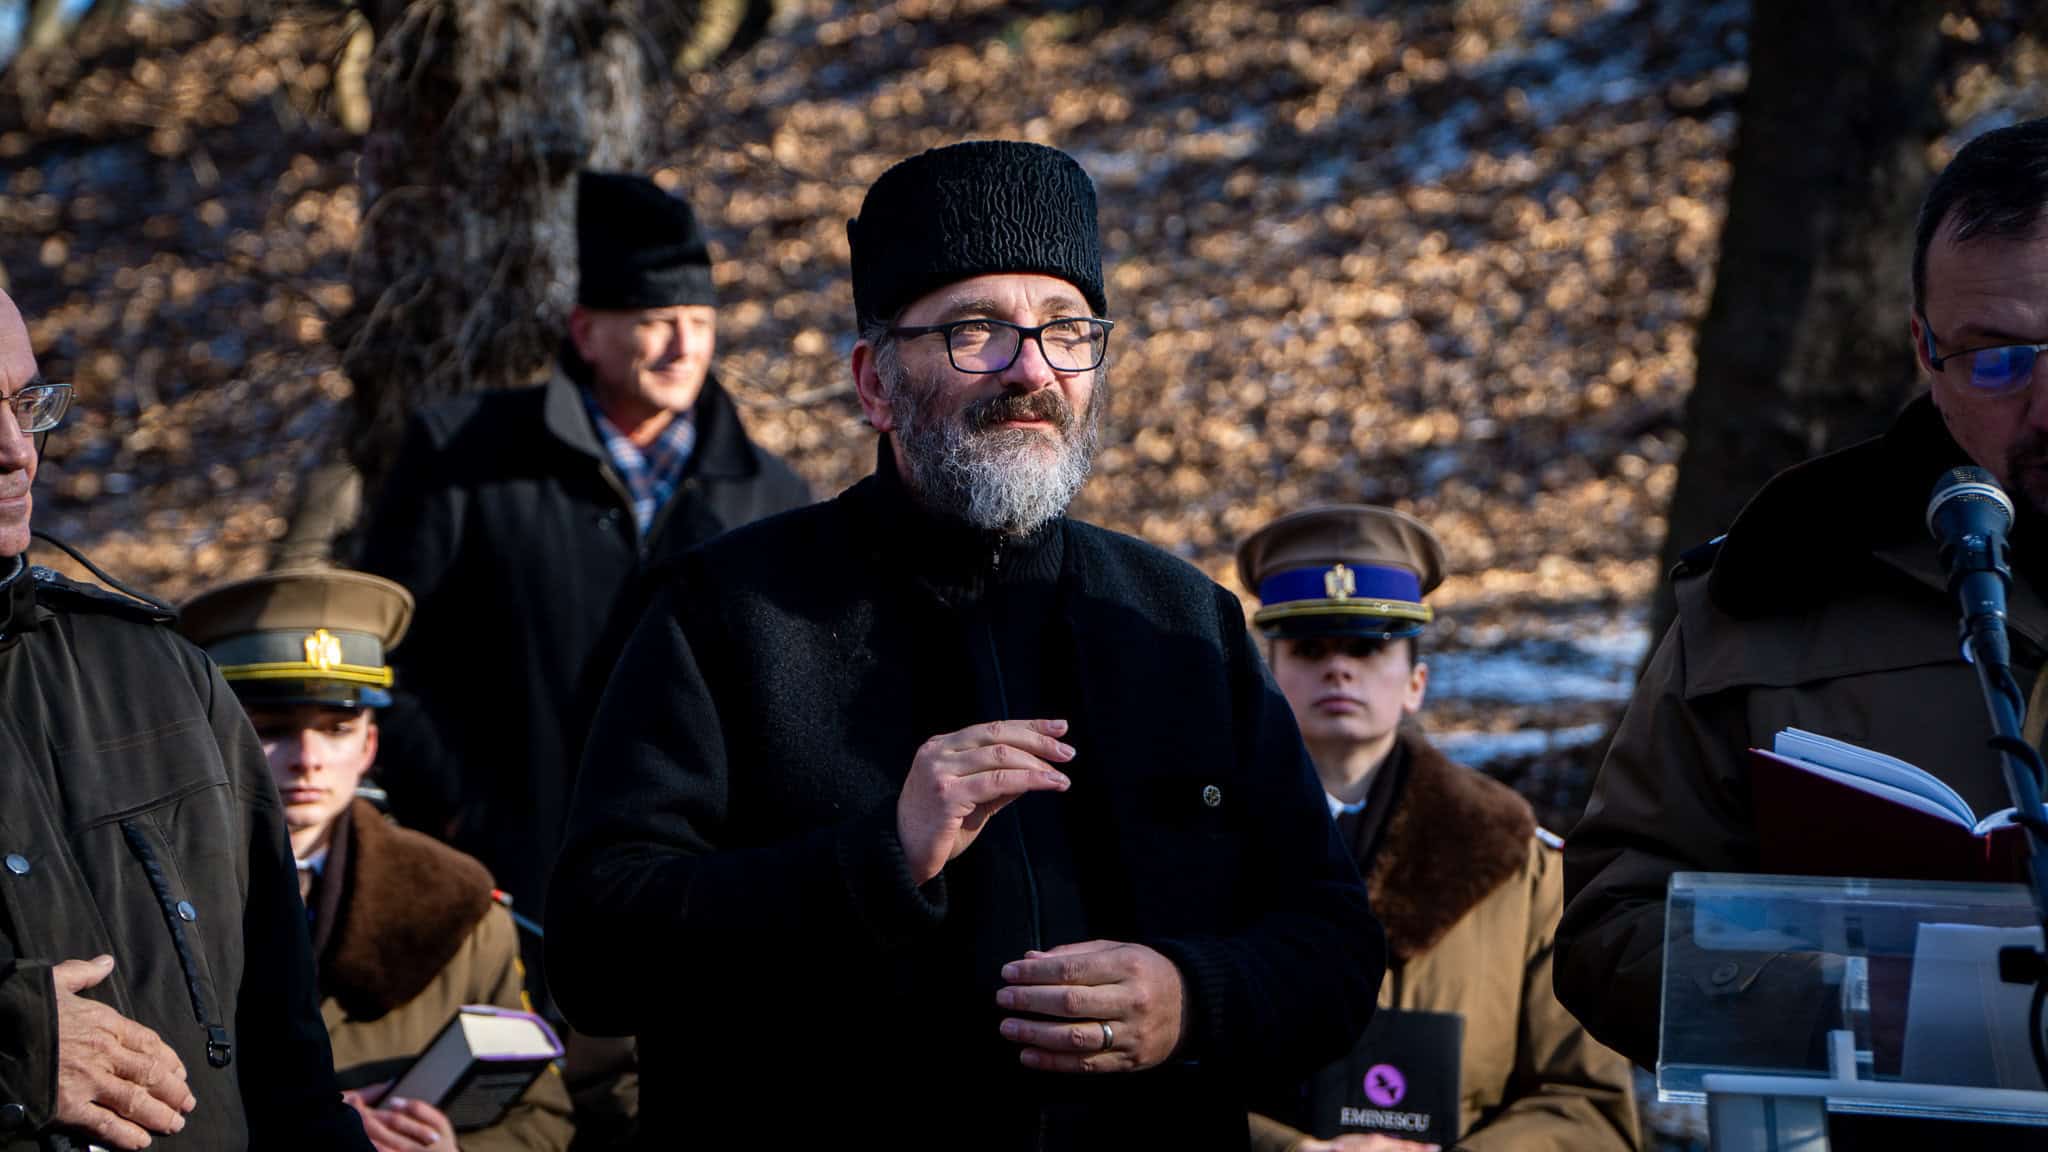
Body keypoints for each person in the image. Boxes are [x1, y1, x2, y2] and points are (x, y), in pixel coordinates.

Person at [545, 140, 1386, 1149]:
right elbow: (597, 948)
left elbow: (1333, 947)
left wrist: (1192, 997)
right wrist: (878, 860)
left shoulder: (1181, 622)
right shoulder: (721, 612)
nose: (1031, 372)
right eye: (976, 331)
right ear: (872, 384)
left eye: (1065, 331)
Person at [1558, 117, 2048, 1073]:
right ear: (1923, 348)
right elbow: (1612, 925)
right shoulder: (1775, 589)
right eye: (1997, 359)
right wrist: (1848, 1004)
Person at [354, 169, 812, 977]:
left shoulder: (771, 492)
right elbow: (375, 643)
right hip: (504, 891)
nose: (682, 348)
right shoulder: (463, 455)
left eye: (699, 323)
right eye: (654, 321)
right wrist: (457, 809)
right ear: (587, 330)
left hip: (699, 906)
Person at [0, 288, 372, 1151]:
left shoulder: (162, 677)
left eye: (25, 406)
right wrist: (17, 1044)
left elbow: (289, 1070)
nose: (16, 453)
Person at [1234, 507, 1637, 1152]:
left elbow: (1590, 1108)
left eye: (1367, 647)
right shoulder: (1194, 849)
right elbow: (1144, 1083)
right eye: (1309, 648)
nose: (1338, 668)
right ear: (1270, 677)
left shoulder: (1520, 870)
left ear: (1416, 682)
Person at [177, 568, 575, 1152]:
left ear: (369, 745)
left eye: (337, 729)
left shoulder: (458, 907)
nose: (307, 759)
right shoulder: (144, 894)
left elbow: (545, 1119)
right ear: (215, 734)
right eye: (272, 729)